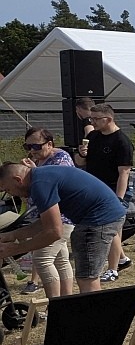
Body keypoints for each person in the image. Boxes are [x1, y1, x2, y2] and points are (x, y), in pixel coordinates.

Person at [0, 161, 125, 293]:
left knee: (87, 279)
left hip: (97, 220)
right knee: (87, 277)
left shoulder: (39, 185)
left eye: (8, 189)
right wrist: (11, 235)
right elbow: (45, 223)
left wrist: (15, 249)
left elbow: (54, 232)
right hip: (109, 214)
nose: (11, 194)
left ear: (18, 180)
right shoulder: (41, 176)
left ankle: (96, 312)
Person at [17, 128, 77, 298]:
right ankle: (66, 302)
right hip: (49, 218)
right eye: (27, 147)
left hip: (60, 218)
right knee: (60, 260)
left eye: (36, 146)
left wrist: (33, 171)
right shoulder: (41, 160)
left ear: (49, 144)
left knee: (42, 259)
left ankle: (56, 306)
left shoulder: (61, 159)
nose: (31, 151)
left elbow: (52, 185)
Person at [78, 103, 133, 282]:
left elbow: (124, 172)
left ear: (108, 119)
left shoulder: (121, 141)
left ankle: (112, 269)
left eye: (95, 119)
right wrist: (81, 154)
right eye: (91, 119)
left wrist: (119, 198)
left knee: (111, 229)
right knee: (110, 229)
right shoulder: (93, 136)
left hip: (111, 190)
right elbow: (79, 162)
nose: (92, 122)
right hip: (93, 189)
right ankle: (122, 259)